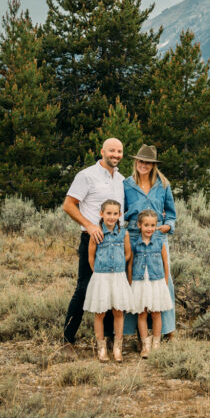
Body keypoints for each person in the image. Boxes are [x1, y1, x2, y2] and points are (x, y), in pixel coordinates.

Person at [61, 138, 126, 357]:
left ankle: (107, 340)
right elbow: (68, 204)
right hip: (93, 240)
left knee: (111, 291)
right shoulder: (86, 175)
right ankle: (67, 340)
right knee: (84, 288)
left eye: (119, 151)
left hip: (115, 242)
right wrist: (89, 225)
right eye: (111, 150)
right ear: (102, 152)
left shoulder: (121, 179)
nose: (115, 154)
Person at [122, 145, 177, 344]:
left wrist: (167, 227)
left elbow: (171, 213)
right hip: (134, 236)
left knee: (164, 279)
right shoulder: (126, 184)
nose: (143, 165)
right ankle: (136, 332)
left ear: (153, 165)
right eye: (140, 161)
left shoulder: (162, 184)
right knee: (135, 280)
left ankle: (167, 329)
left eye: (147, 162)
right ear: (135, 162)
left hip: (158, 236)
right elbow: (121, 211)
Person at [82, 199, 132, 362]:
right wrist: (98, 271)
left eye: (115, 214)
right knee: (100, 312)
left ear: (119, 215)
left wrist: (117, 266)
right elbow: (91, 256)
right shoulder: (96, 233)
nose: (111, 217)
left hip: (117, 276)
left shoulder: (123, 232)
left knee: (118, 311)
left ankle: (118, 346)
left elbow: (127, 254)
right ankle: (101, 346)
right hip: (101, 277)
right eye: (108, 213)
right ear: (101, 214)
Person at [128, 209, 172, 358]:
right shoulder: (135, 243)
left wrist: (165, 281)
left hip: (156, 281)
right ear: (139, 225)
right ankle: (145, 344)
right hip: (140, 281)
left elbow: (166, 263)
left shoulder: (160, 241)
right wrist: (129, 282)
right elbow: (131, 263)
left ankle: (156, 343)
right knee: (142, 312)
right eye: (146, 225)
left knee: (156, 312)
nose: (149, 228)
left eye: (152, 225)